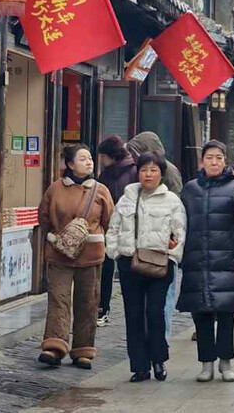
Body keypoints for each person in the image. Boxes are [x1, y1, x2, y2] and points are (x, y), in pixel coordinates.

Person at [178, 140, 234, 383]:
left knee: (225, 313)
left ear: (225, 162)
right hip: (197, 261)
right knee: (201, 314)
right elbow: (179, 224)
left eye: (219, 158)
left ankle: (226, 361)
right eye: (209, 157)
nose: (214, 162)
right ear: (202, 161)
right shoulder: (190, 189)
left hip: (227, 261)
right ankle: (206, 363)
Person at [104, 152, 186, 382]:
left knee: (155, 313)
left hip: (160, 265)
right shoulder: (128, 197)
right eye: (144, 170)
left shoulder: (171, 200)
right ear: (137, 172)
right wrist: (114, 251)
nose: (148, 174)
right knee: (134, 315)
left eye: (153, 170)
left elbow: (180, 232)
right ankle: (140, 366)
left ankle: (158, 359)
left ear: (161, 173)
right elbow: (114, 226)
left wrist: (172, 256)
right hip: (130, 263)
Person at [37, 144, 114, 369]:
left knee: (88, 301)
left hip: (90, 255)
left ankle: (83, 349)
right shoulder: (55, 189)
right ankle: (55, 345)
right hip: (59, 253)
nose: (89, 162)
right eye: (83, 159)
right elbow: (43, 217)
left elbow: (109, 221)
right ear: (70, 165)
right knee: (58, 299)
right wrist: (57, 237)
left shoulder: (101, 191)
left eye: (90, 158)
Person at [127, 131, 184, 339]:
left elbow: (177, 207)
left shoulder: (168, 171)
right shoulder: (140, 173)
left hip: (162, 245)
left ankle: (162, 340)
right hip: (142, 244)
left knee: (162, 300)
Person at [96, 136, 137, 327]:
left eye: (102, 156)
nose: (100, 160)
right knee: (106, 267)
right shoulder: (106, 174)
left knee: (127, 268)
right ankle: (102, 308)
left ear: (109, 155)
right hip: (107, 227)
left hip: (128, 227)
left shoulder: (133, 172)